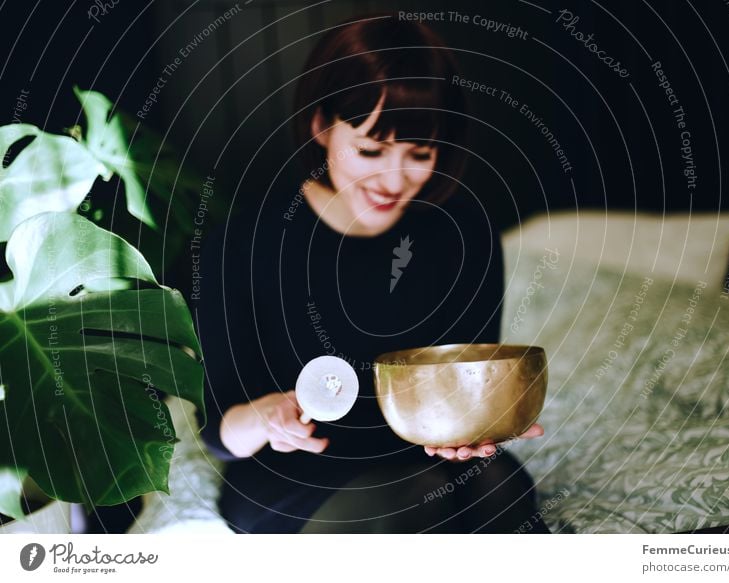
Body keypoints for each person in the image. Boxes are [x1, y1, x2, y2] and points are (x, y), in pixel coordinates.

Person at [197, 15, 549, 533]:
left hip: (427, 454)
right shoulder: (240, 243)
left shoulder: (463, 230)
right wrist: (269, 416)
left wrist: (473, 425)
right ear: (321, 125)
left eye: (419, 154)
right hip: (296, 473)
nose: (393, 179)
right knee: (417, 504)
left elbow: (465, 380)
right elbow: (217, 431)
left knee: (499, 495)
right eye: (370, 150)